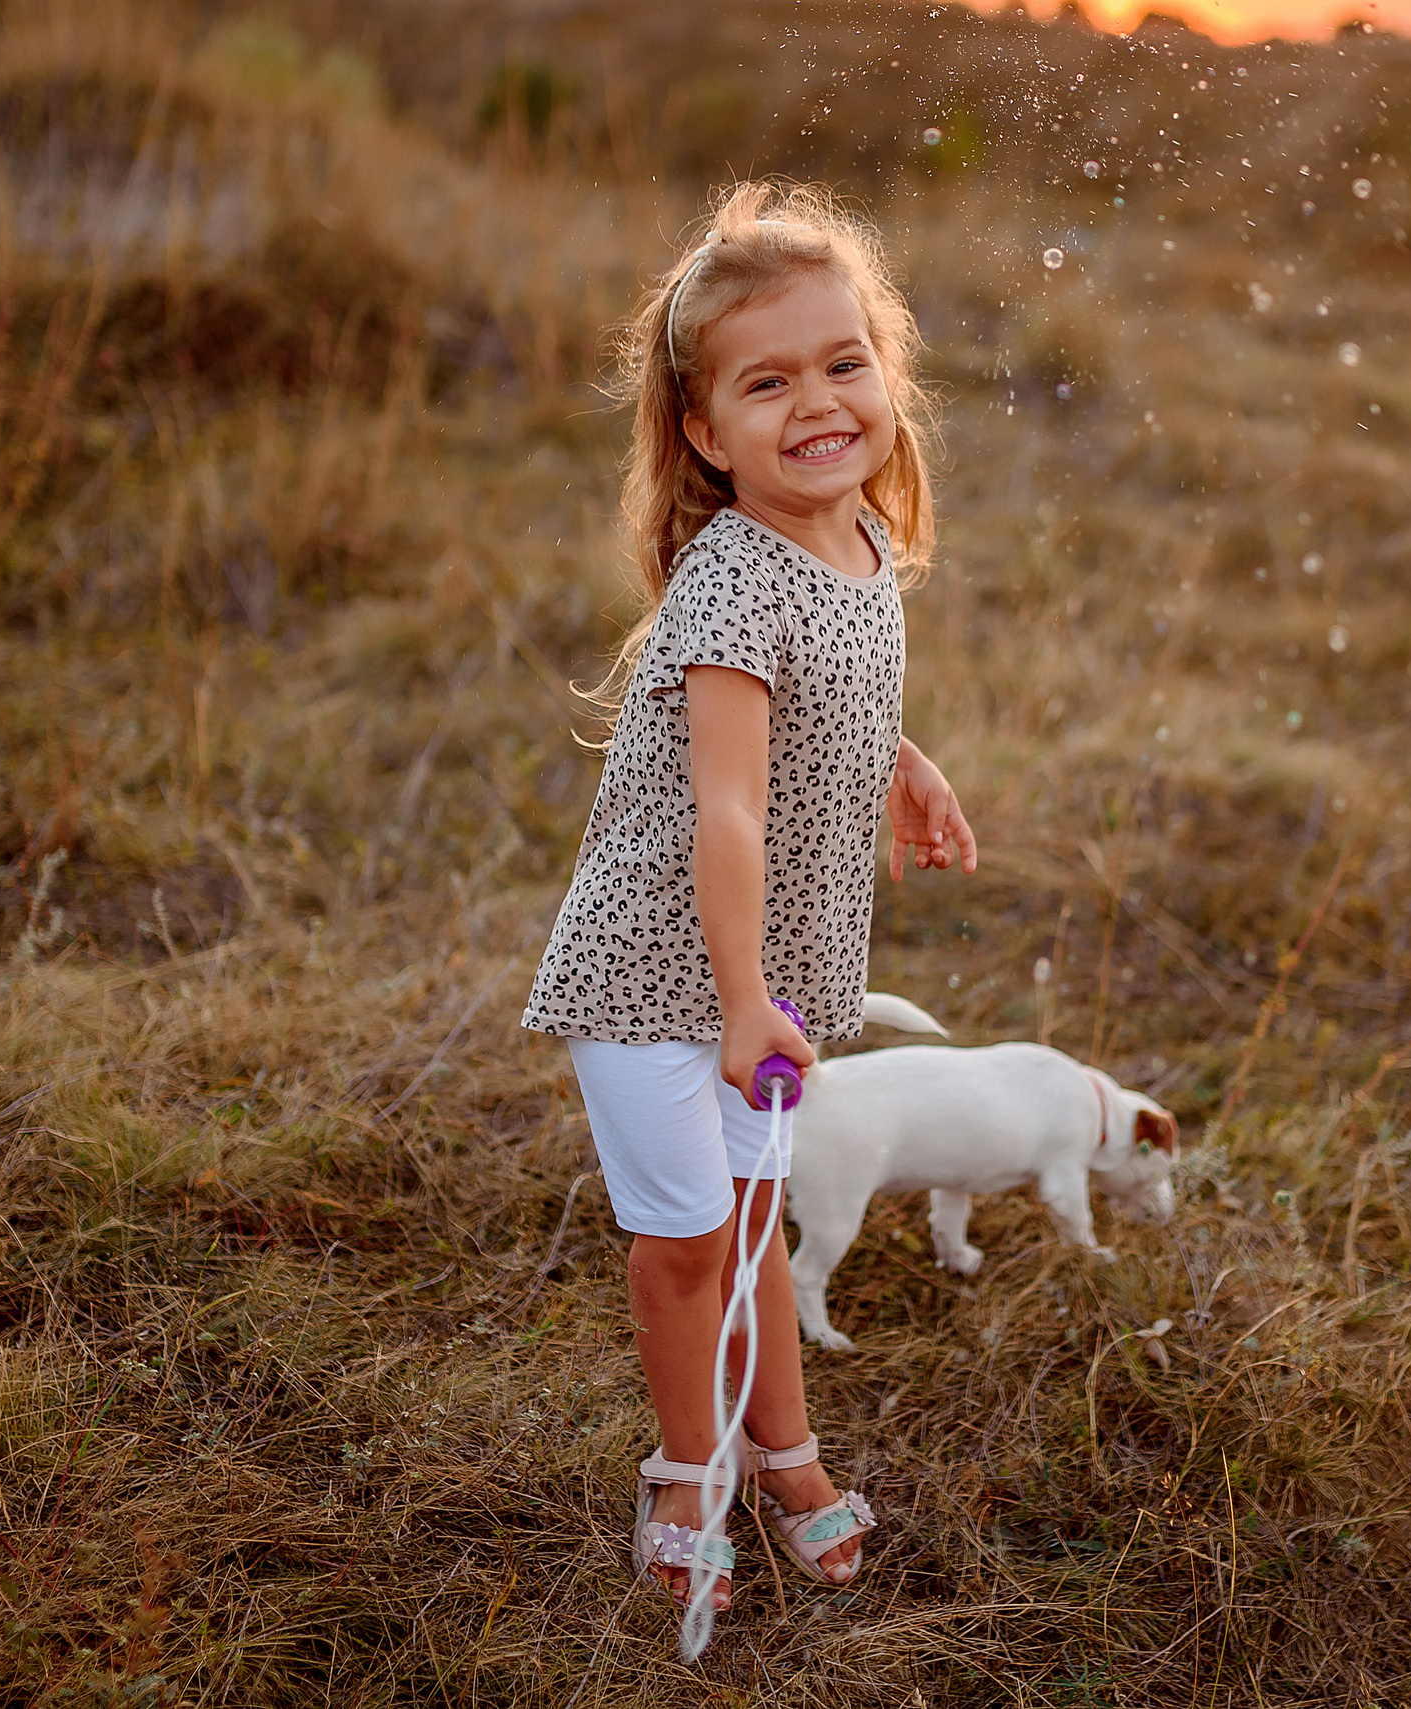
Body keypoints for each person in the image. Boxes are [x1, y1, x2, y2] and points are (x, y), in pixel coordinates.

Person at [520, 182, 978, 1614]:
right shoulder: (732, 581)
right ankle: (687, 1470)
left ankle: (786, 1452)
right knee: (690, 1242)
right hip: (665, 979)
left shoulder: (856, 545)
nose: (819, 403)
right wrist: (739, 1004)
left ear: (888, 374)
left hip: (759, 983)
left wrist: (899, 760)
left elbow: (829, 693)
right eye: (768, 383)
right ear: (709, 434)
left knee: (756, 1220)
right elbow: (725, 804)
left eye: (844, 362)